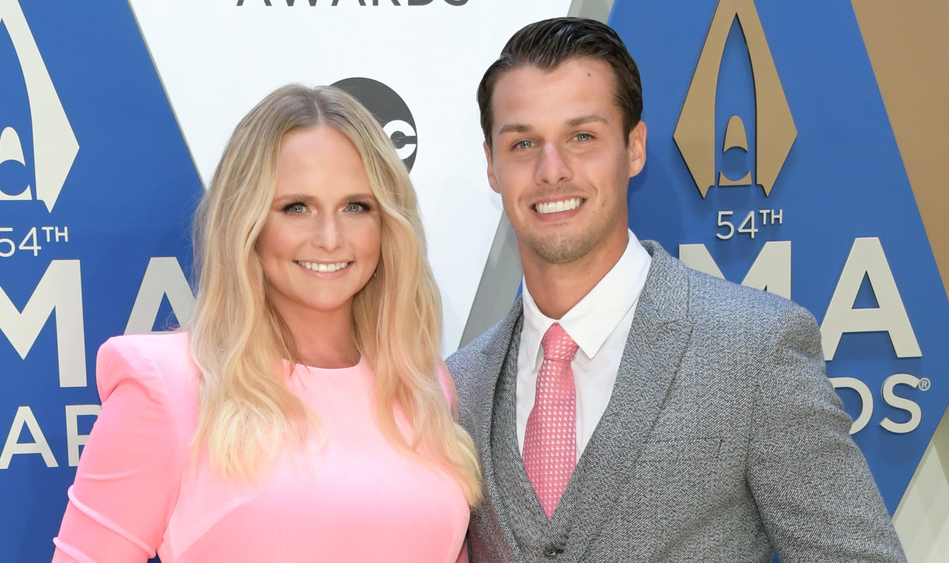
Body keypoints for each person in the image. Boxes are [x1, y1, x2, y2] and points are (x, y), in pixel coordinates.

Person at [447, 17, 906, 562]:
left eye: (582, 137)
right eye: (523, 143)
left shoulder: (754, 349)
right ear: (493, 166)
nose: (552, 170)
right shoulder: (458, 387)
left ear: (634, 148)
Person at [53, 84, 481, 562]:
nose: (330, 237)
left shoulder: (423, 386)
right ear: (247, 223)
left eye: (356, 207)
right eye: (296, 207)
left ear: (387, 225)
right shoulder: (168, 386)